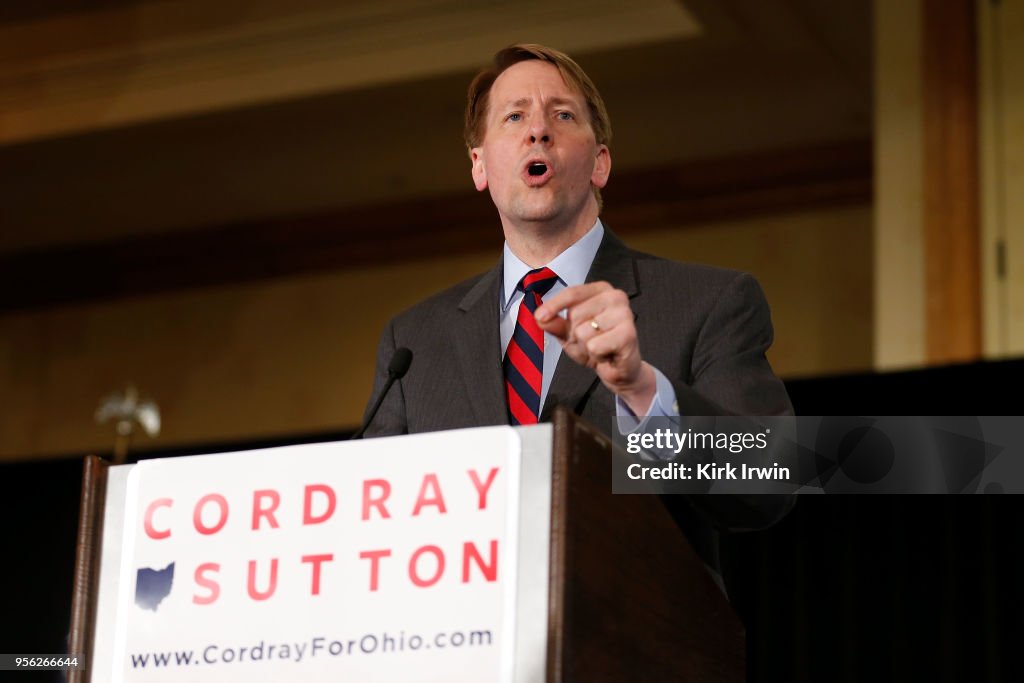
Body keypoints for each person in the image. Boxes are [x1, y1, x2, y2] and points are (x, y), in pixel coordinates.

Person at [362, 44, 793, 568]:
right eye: (514, 116)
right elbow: (370, 527)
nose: (537, 130)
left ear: (600, 163)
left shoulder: (709, 304)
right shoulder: (413, 342)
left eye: (562, 115)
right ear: (479, 165)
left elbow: (768, 482)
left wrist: (640, 388)